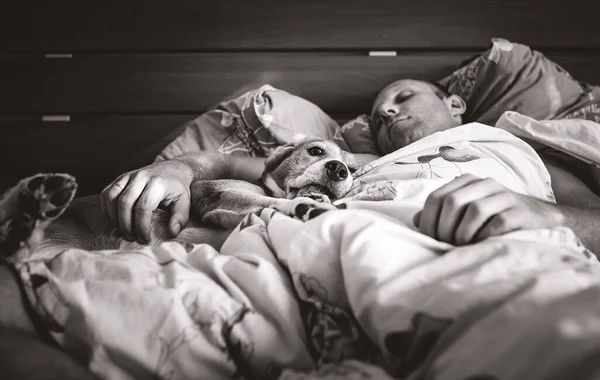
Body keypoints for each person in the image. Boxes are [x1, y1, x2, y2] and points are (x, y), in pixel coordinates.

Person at [101, 79, 600, 255]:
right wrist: (179, 170)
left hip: (493, 252)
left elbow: (592, 219)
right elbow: (229, 161)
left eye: (402, 98)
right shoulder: (356, 163)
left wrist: (547, 215)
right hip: (328, 249)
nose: (386, 112)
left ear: (454, 104)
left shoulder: (507, 144)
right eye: (380, 115)